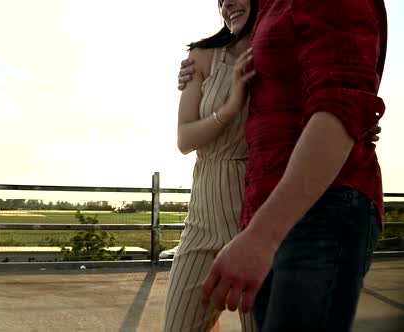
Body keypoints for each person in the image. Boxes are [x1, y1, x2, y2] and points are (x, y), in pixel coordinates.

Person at [180, 0, 387, 331]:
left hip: (316, 208)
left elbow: (341, 98)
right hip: (260, 210)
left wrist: (263, 235)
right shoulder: (266, 19)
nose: (225, 3)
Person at [164, 1, 260, 331]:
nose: (227, 4)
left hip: (259, 224)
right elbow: (184, 138)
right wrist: (231, 106)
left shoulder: (284, 53)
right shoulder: (203, 56)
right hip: (202, 224)